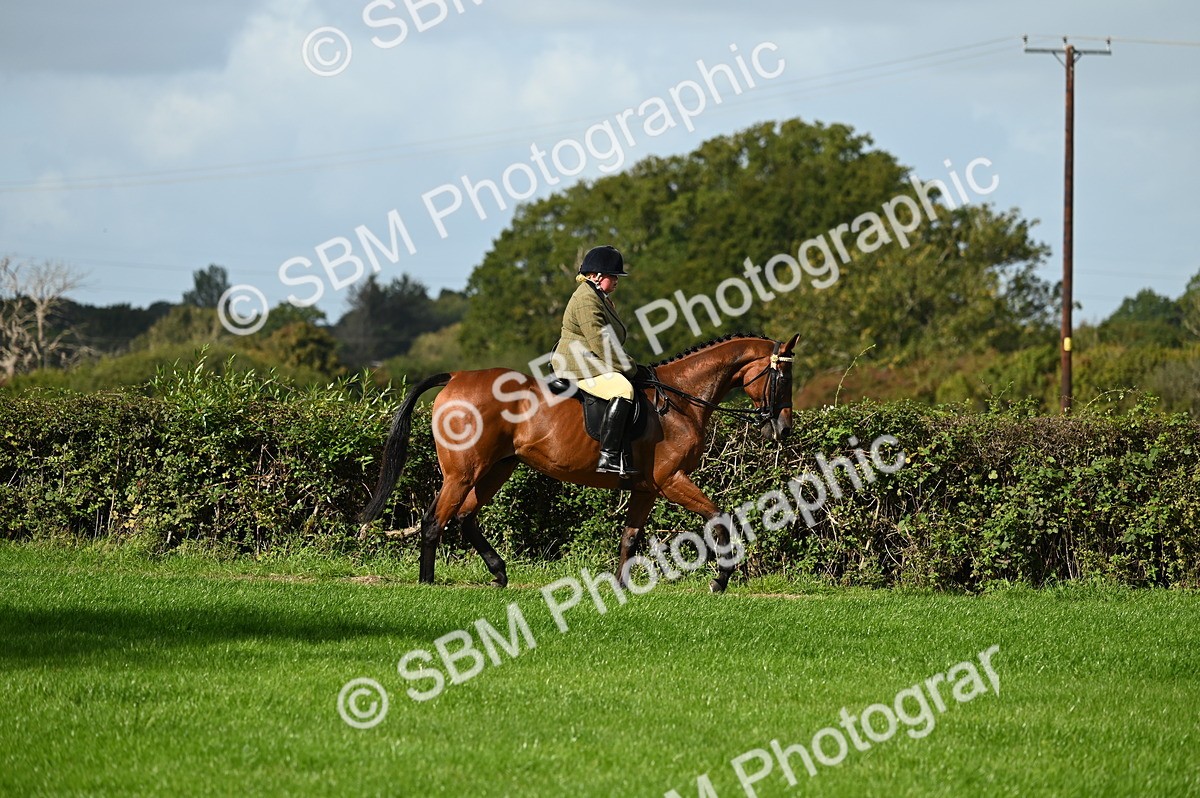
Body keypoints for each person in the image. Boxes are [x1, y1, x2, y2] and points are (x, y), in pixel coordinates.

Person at [552, 245, 640, 476]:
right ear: (598, 276)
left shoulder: (599, 296)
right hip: (578, 364)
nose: (617, 280)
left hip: (591, 359)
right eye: (614, 275)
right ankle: (608, 457)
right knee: (623, 389)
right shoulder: (586, 299)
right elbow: (600, 343)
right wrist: (629, 367)